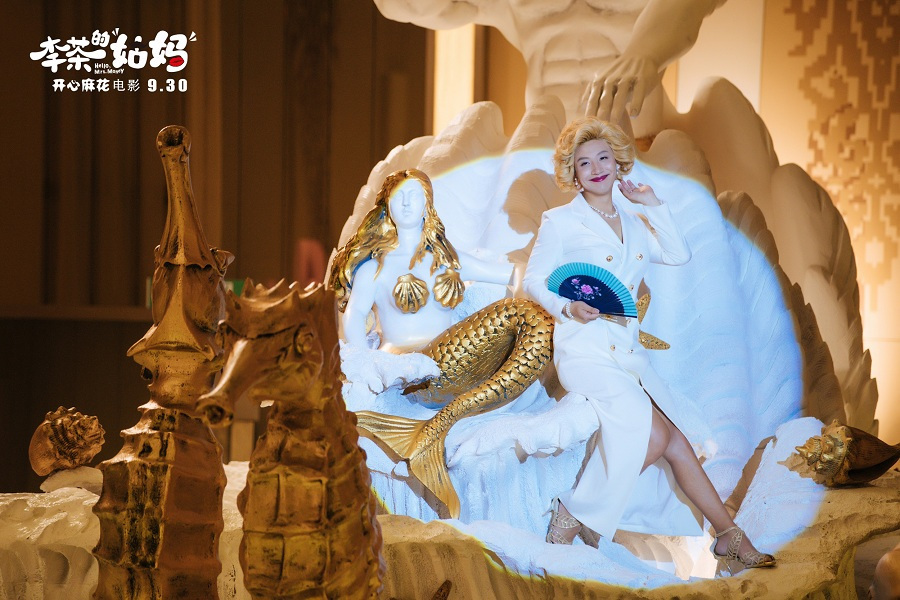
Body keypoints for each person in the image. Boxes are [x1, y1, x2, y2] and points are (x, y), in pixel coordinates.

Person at [522, 116, 775, 571]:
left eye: (603, 158)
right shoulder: (559, 222)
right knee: (655, 432)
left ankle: (728, 536)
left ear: (618, 163)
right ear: (573, 173)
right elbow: (534, 280)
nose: (596, 168)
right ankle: (574, 513)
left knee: (675, 439)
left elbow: (679, 254)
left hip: (627, 354)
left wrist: (653, 203)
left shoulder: (635, 221)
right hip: (584, 350)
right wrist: (568, 307)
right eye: (584, 162)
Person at [330, 168, 513, 352]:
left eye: (414, 195)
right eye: (398, 196)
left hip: (447, 360)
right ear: (388, 207)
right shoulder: (375, 268)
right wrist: (365, 360)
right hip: (396, 362)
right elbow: (355, 314)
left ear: (427, 205)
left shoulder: (449, 260)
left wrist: (529, 279)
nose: (406, 203)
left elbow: (508, 273)